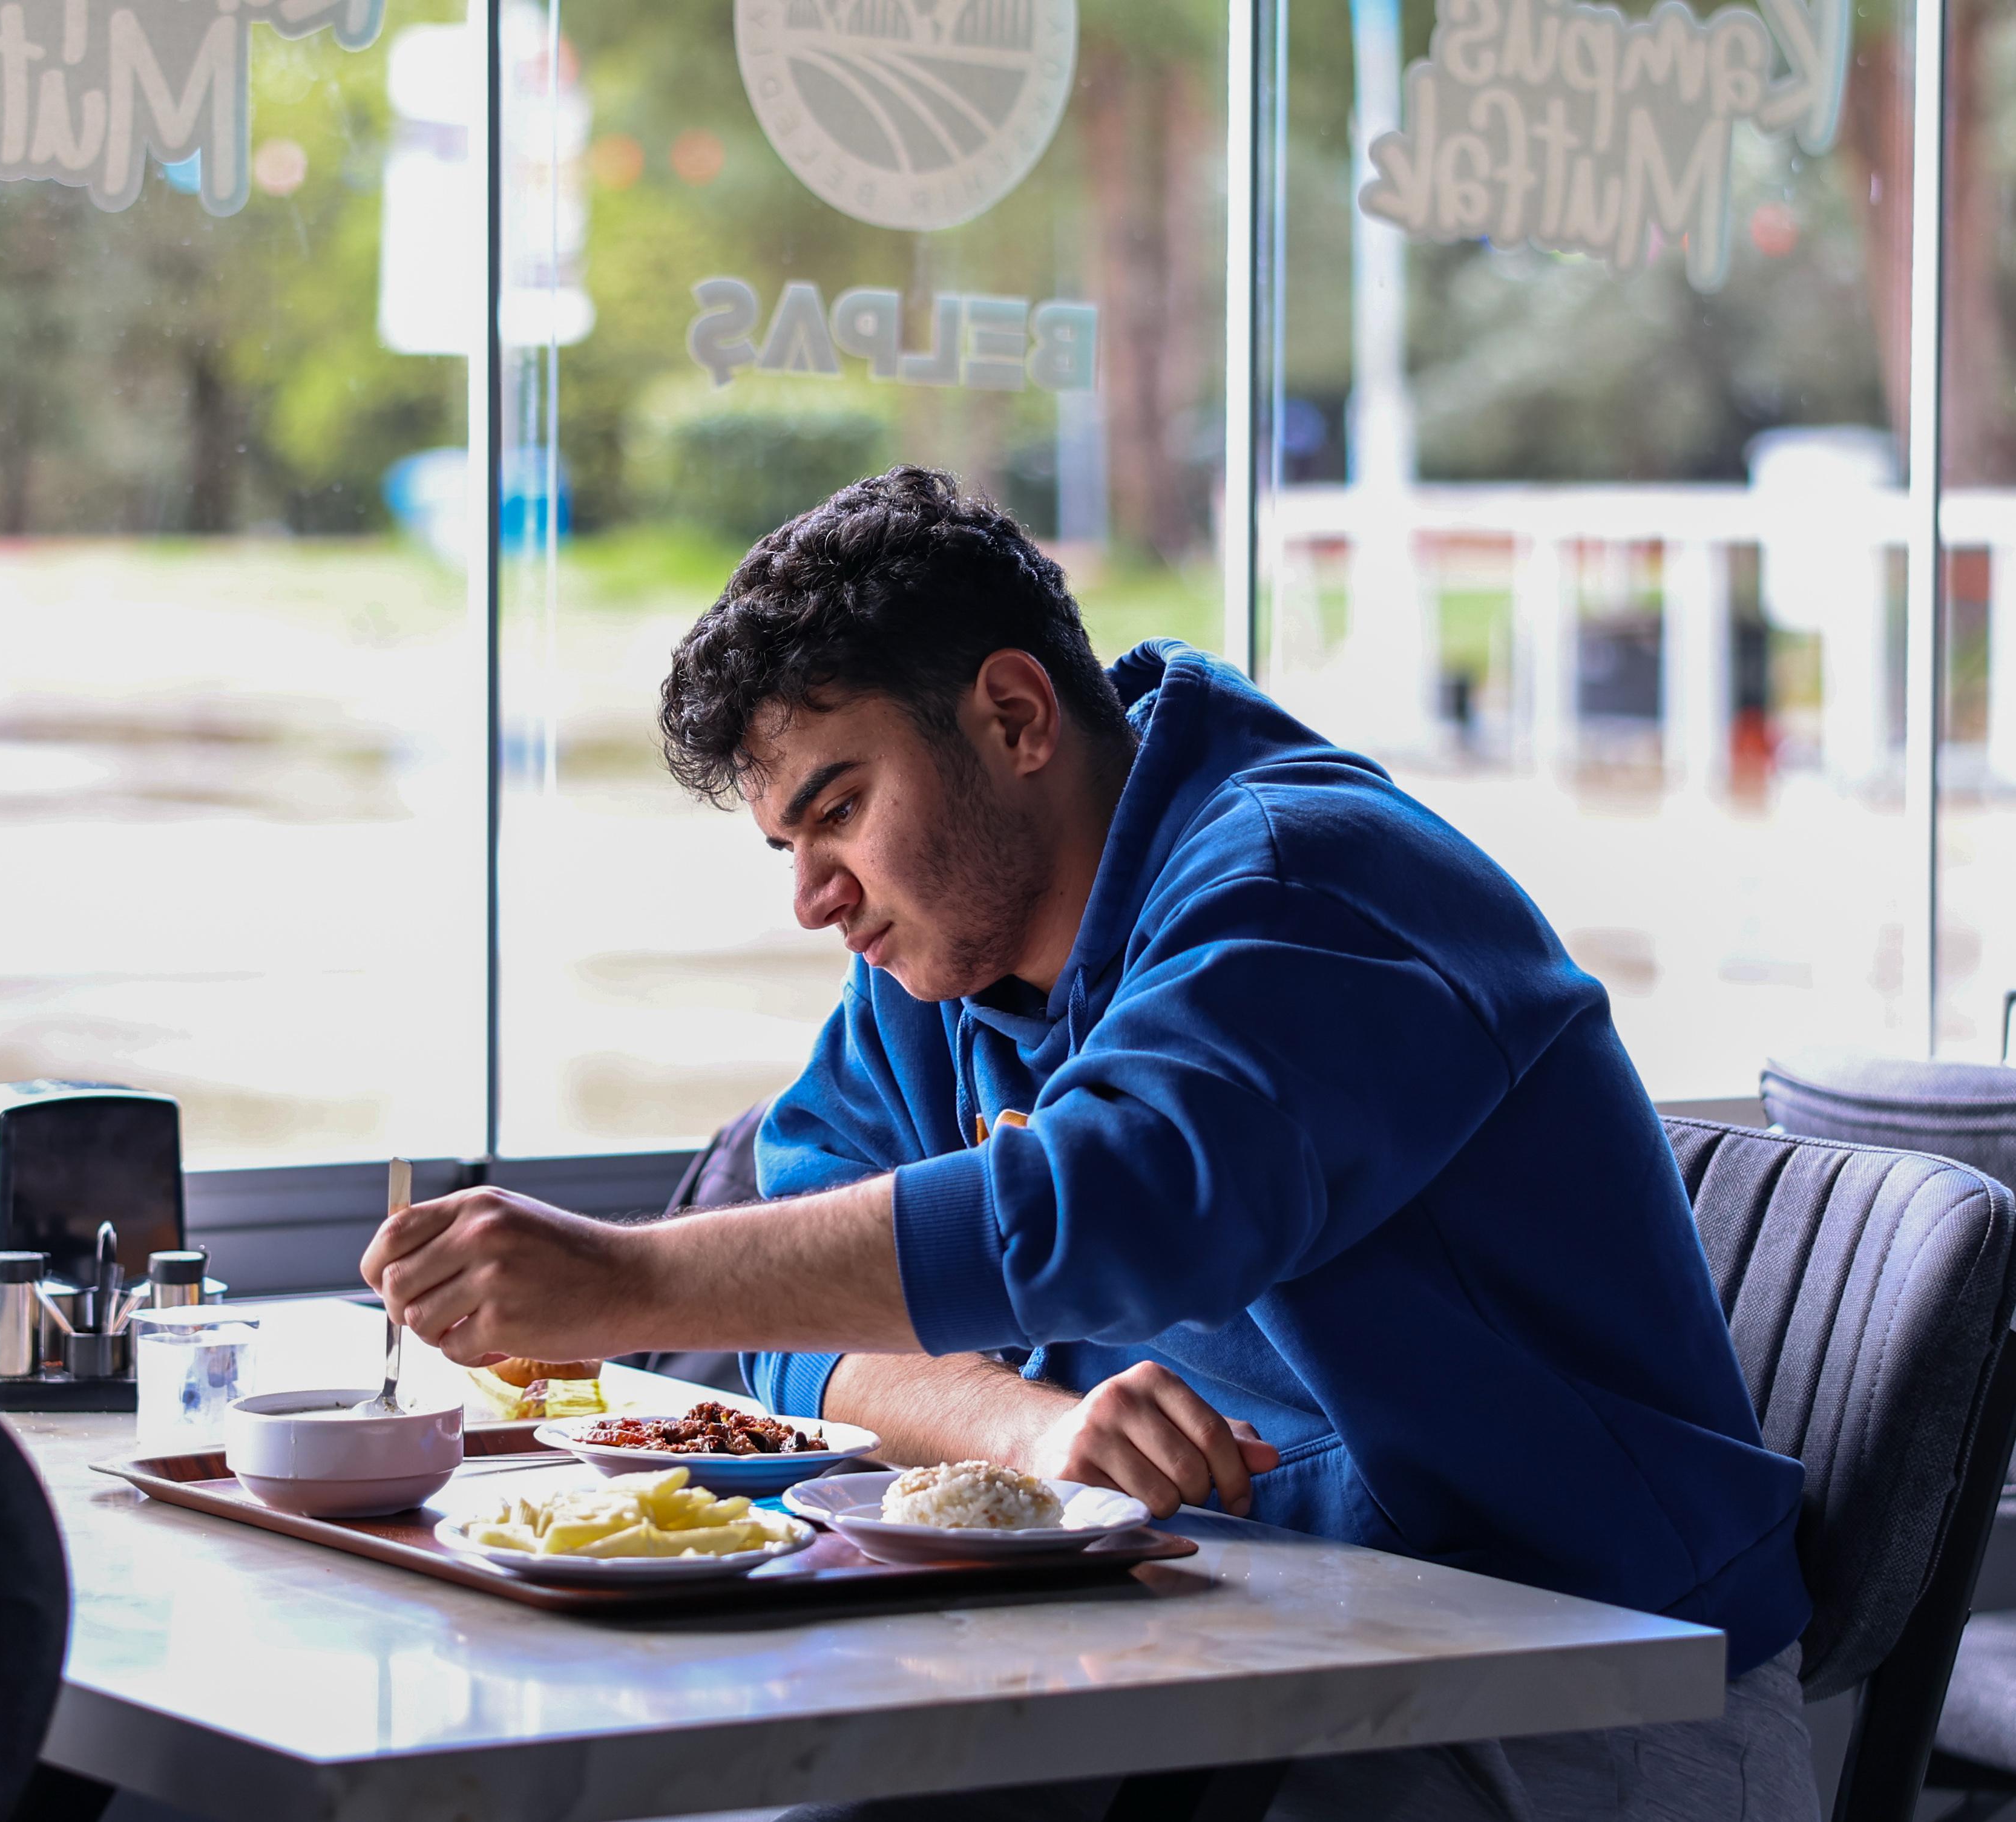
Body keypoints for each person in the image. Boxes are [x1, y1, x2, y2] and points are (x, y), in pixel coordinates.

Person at [363, 467, 1817, 1819]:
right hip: (1240, 1646)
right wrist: (1032, 1434)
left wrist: (627, 1282)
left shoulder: (1305, 884)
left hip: (1579, 1695)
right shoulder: (937, 967)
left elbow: (1112, 1208)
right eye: (786, 848)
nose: (815, 899)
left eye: (842, 811)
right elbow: (797, 1342)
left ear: (1012, 718)